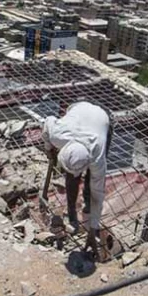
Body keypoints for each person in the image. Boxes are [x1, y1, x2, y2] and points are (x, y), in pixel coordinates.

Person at [41, 101, 112, 256]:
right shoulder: (57, 135)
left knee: (91, 184)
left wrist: (93, 230)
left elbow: (98, 195)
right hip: (78, 108)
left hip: (101, 119)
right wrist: (48, 149)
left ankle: (87, 212)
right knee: (71, 179)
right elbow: (47, 123)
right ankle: (72, 212)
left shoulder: (97, 155)